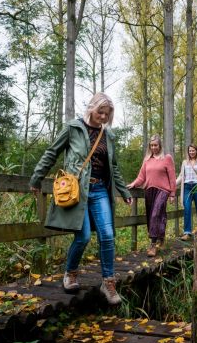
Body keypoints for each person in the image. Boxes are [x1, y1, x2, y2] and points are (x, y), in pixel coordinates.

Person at [29, 92, 132, 305]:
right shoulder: (73, 128)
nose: (103, 117)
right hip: (78, 191)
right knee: (83, 236)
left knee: (107, 235)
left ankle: (108, 282)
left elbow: (113, 168)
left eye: (107, 114)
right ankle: (70, 273)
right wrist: (37, 178)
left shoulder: (108, 136)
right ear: (91, 108)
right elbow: (51, 153)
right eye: (100, 112)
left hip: (101, 189)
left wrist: (124, 191)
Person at [127, 134, 176, 257]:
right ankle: (161, 236)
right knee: (151, 216)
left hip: (163, 190)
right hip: (149, 190)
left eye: (156, 145)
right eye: (152, 145)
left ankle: (153, 245)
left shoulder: (167, 158)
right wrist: (133, 184)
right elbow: (141, 177)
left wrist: (172, 194)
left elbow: (172, 177)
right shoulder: (147, 159)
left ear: (160, 145)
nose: (154, 147)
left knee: (155, 214)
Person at [176, 144, 197, 240]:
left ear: (196, 151)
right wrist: (173, 184)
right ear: (188, 152)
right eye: (190, 151)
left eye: (193, 150)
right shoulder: (185, 162)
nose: (191, 152)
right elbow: (181, 176)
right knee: (187, 208)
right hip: (187, 187)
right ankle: (187, 232)